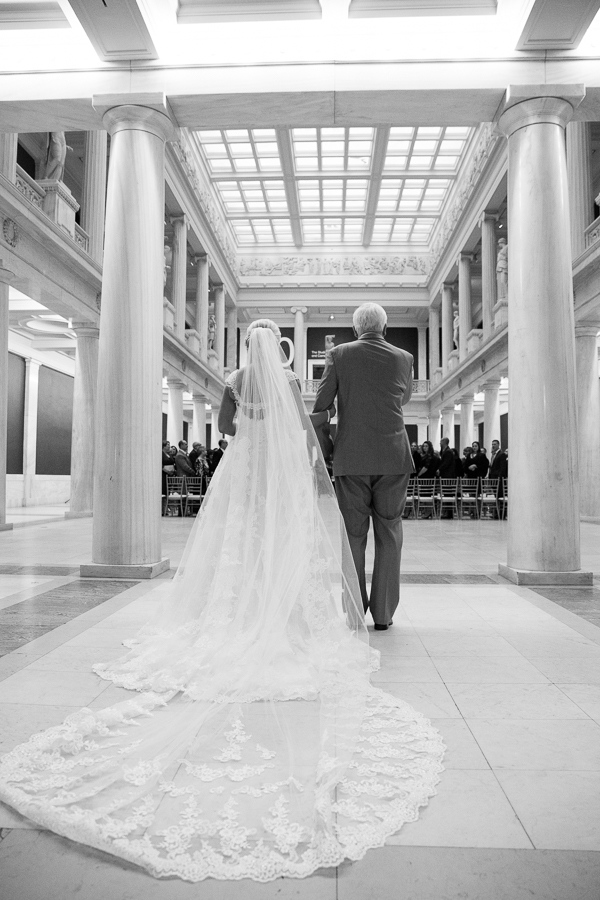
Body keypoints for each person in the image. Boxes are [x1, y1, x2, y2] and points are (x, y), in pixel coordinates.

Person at [0, 318, 444, 883]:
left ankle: (293, 605)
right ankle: (377, 612)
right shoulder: (330, 372)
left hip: (260, 466)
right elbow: (314, 425)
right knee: (376, 534)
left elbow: (230, 425)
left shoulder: (240, 376)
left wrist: (285, 432)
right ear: (277, 347)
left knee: (277, 540)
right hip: (361, 456)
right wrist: (304, 454)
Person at [312, 302, 414, 631]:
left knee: (354, 536)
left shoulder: (339, 355)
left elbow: (321, 407)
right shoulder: (404, 358)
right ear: (384, 327)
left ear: (356, 329)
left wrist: (330, 448)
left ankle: (355, 614)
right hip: (394, 457)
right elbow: (404, 398)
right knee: (390, 533)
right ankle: (383, 615)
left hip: (351, 458)